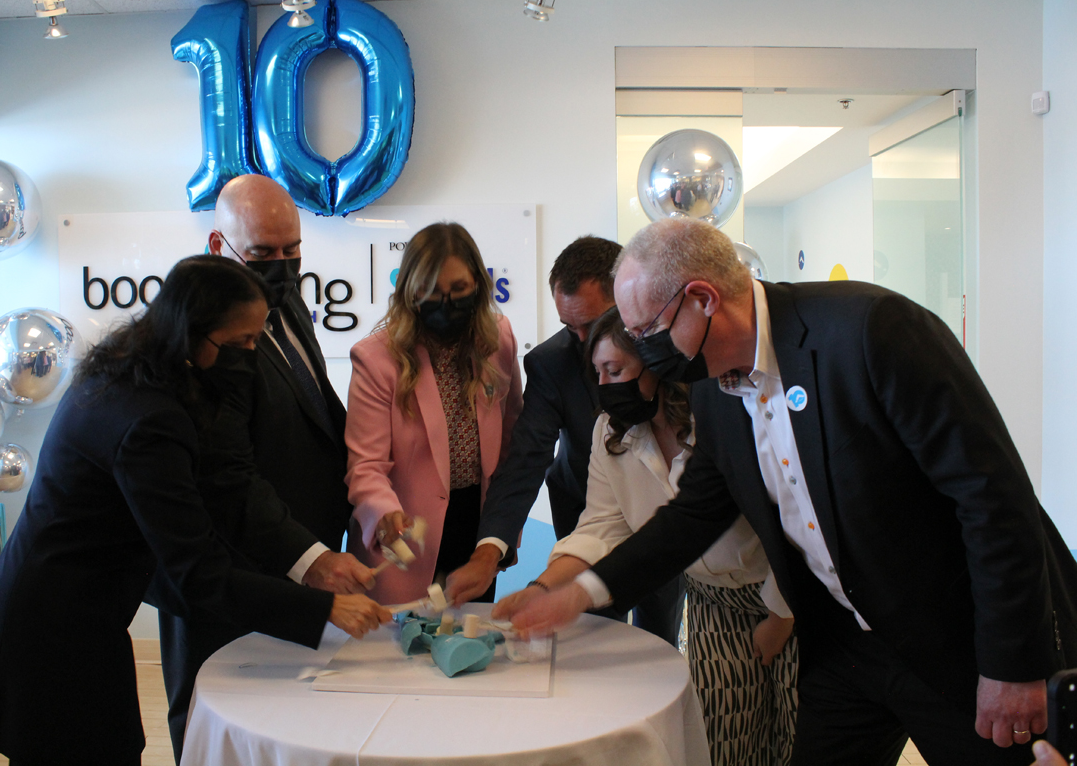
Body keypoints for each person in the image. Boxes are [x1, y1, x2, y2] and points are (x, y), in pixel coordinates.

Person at [508, 218, 1077, 766]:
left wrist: (1013, 665)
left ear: (702, 299)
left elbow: (992, 497)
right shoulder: (712, 389)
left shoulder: (870, 330)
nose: (642, 350)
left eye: (645, 333)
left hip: (957, 641)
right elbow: (693, 516)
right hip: (847, 648)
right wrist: (582, 591)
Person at [0, 255, 389, 766]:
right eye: (242, 343)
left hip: (82, 619)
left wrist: (314, 563)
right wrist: (321, 610)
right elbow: (198, 572)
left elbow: (228, 482)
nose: (251, 356)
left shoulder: (151, 371)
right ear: (192, 332)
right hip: (51, 631)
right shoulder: (145, 418)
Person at [494, 307, 797, 765]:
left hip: (788, 593)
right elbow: (601, 526)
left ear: (656, 365)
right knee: (723, 740)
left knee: (797, 735)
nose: (604, 386)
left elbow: (791, 521)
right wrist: (543, 588)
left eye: (615, 371)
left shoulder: (719, 416)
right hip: (712, 601)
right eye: (597, 373)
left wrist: (780, 616)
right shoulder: (611, 432)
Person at [154, 174, 362, 762]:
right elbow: (224, 472)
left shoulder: (289, 301)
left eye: (292, 249)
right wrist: (308, 556)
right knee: (215, 715)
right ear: (218, 245)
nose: (282, 265)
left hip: (300, 547)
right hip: (231, 563)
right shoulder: (198, 336)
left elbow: (316, 406)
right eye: (264, 252)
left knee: (290, 720)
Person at [346, 222, 523, 604]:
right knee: (401, 639)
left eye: (458, 289)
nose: (446, 302)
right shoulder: (376, 359)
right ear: (409, 290)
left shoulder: (499, 338)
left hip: (476, 528)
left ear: (478, 284)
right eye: (430, 291)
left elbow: (513, 439)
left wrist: (500, 534)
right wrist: (384, 513)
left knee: (471, 636)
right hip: (405, 532)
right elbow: (365, 466)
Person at [446, 235, 623, 605]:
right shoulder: (551, 363)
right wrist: (487, 553)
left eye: (593, 324)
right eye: (569, 326)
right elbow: (525, 459)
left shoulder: (671, 349)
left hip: (666, 506)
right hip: (583, 506)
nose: (583, 340)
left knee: (658, 620)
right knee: (591, 620)